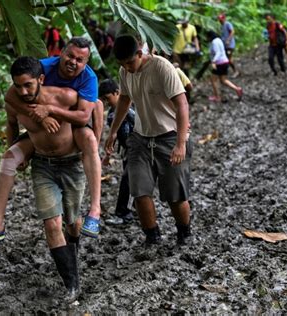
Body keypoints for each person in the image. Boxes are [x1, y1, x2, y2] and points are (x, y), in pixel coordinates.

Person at [0, 37, 103, 244]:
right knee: (9, 157)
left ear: (86, 63)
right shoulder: (40, 68)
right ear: (61, 53)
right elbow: (10, 98)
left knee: (89, 138)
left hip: (71, 129)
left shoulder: (85, 81)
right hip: (39, 136)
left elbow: (86, 115)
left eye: (80, 60)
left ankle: (95, 211)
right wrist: (40, 117)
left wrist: (50, 110)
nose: (73, 62)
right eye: (70, 55)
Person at [4, 56, 84, 302]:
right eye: (18, 86)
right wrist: (18, 152)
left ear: (41, 79)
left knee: (72, 221)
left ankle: (74, 244)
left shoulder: (65, 97)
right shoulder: (14, 101)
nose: (23, 91)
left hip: (71, 163)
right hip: (42, 165)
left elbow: (88, 114)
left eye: (28, 85)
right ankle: (71, 284)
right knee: (51, 224)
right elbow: (11, 124)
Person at [105, 35, 192, 246]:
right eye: (122, 64)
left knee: (175, 195)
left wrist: (180, 144)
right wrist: (113, 131)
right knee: (139, 190)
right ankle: (152, 236)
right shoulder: (125, 71)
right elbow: (124, 99)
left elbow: (182, 105)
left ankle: (184, 233)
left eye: (130, 62)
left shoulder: (161, 67)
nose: (127, 67)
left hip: (170, 135)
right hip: (141, 138)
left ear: (139, 54)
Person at [99, 79, 135, 225]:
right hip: (127, 150)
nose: (106, 102)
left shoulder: (131, 108)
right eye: (103, 100)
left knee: (128, 180)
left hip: (138, 148)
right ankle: (131, 209)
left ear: (117, 93)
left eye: (108, 98)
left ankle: (123, 212)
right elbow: (113, 137)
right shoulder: (111, 115)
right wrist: (108, 155)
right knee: (131, 180)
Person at [206, 30, 243, 102]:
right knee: (223, 80)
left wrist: (213, 61)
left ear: (210, 37)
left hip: (219, 63)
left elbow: (218, 53)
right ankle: (237, 89)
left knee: (213, 80)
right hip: (225, 62)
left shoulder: (214, 42)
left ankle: (217, 96)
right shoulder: (219, 40)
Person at [218, 13, 240, 78]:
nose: (220, 21)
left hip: (229, 45)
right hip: (224, 45)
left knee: (229, 59)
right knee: (225, 59)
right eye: (219, 19)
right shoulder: (221, 26)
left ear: (224, 18)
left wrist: (228, 40)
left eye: (221, 19)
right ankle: (225, 72)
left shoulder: (227, 24)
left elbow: (232, 31)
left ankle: (236, 71)